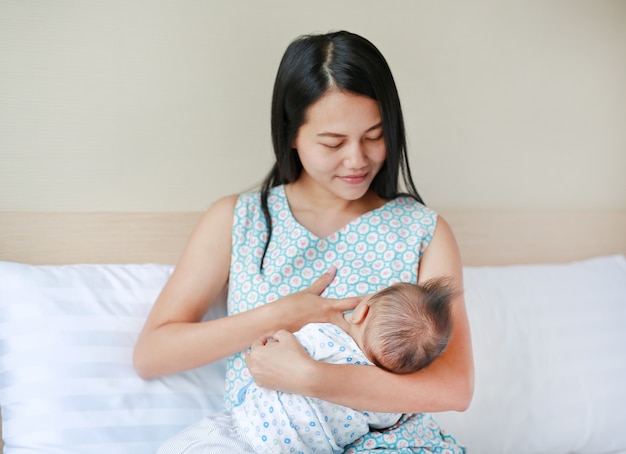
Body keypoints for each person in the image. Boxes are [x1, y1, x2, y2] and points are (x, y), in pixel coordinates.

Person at [134, 30, 473, 452]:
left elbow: (455, 388)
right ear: (291, 134)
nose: (357, 159)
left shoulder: (422, 230)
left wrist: (314, 379)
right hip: (266, 442)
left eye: (374, 136)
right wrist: (280, 314)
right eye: (333, 142)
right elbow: (152, 354)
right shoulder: (238, 220)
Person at [157, 279, 456, 453]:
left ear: (362, 310)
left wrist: (272, 339)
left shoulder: (324, 335)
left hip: (243, 434)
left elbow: (274, 354)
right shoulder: (386, 406)